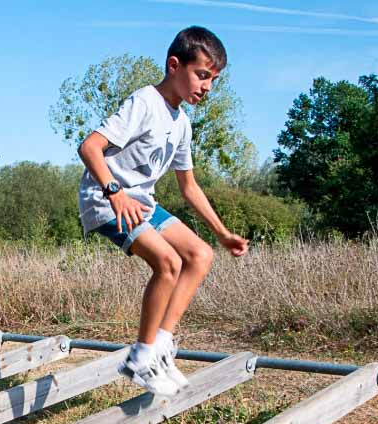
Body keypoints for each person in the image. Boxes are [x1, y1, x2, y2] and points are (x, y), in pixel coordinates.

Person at [77, 26, 249, 395]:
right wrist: (114, 192)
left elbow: (189, 186)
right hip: (105, 200)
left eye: (213, 80)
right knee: (168, 263)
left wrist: (221, 233)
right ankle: (139, 357)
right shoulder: (144, 103)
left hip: (141, 203)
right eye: (202, 75)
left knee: (200, 255)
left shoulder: (181, 123)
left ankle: (160, 348)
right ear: (175, 65)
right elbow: (90, 146)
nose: (207, 87)